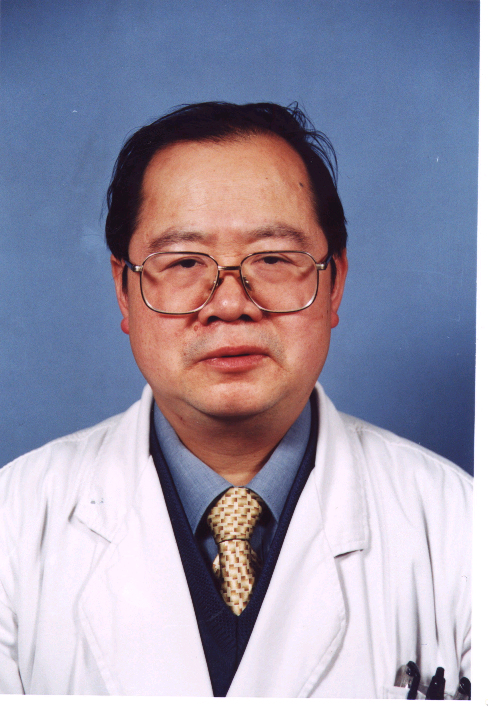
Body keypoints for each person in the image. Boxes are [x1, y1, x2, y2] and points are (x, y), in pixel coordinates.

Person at [0, 102, 471, 698]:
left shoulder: (459, 526)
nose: (229, 304)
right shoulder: (13, 525)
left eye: (273, 258)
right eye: (183, 262)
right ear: (123, 289)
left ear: (334, 283)